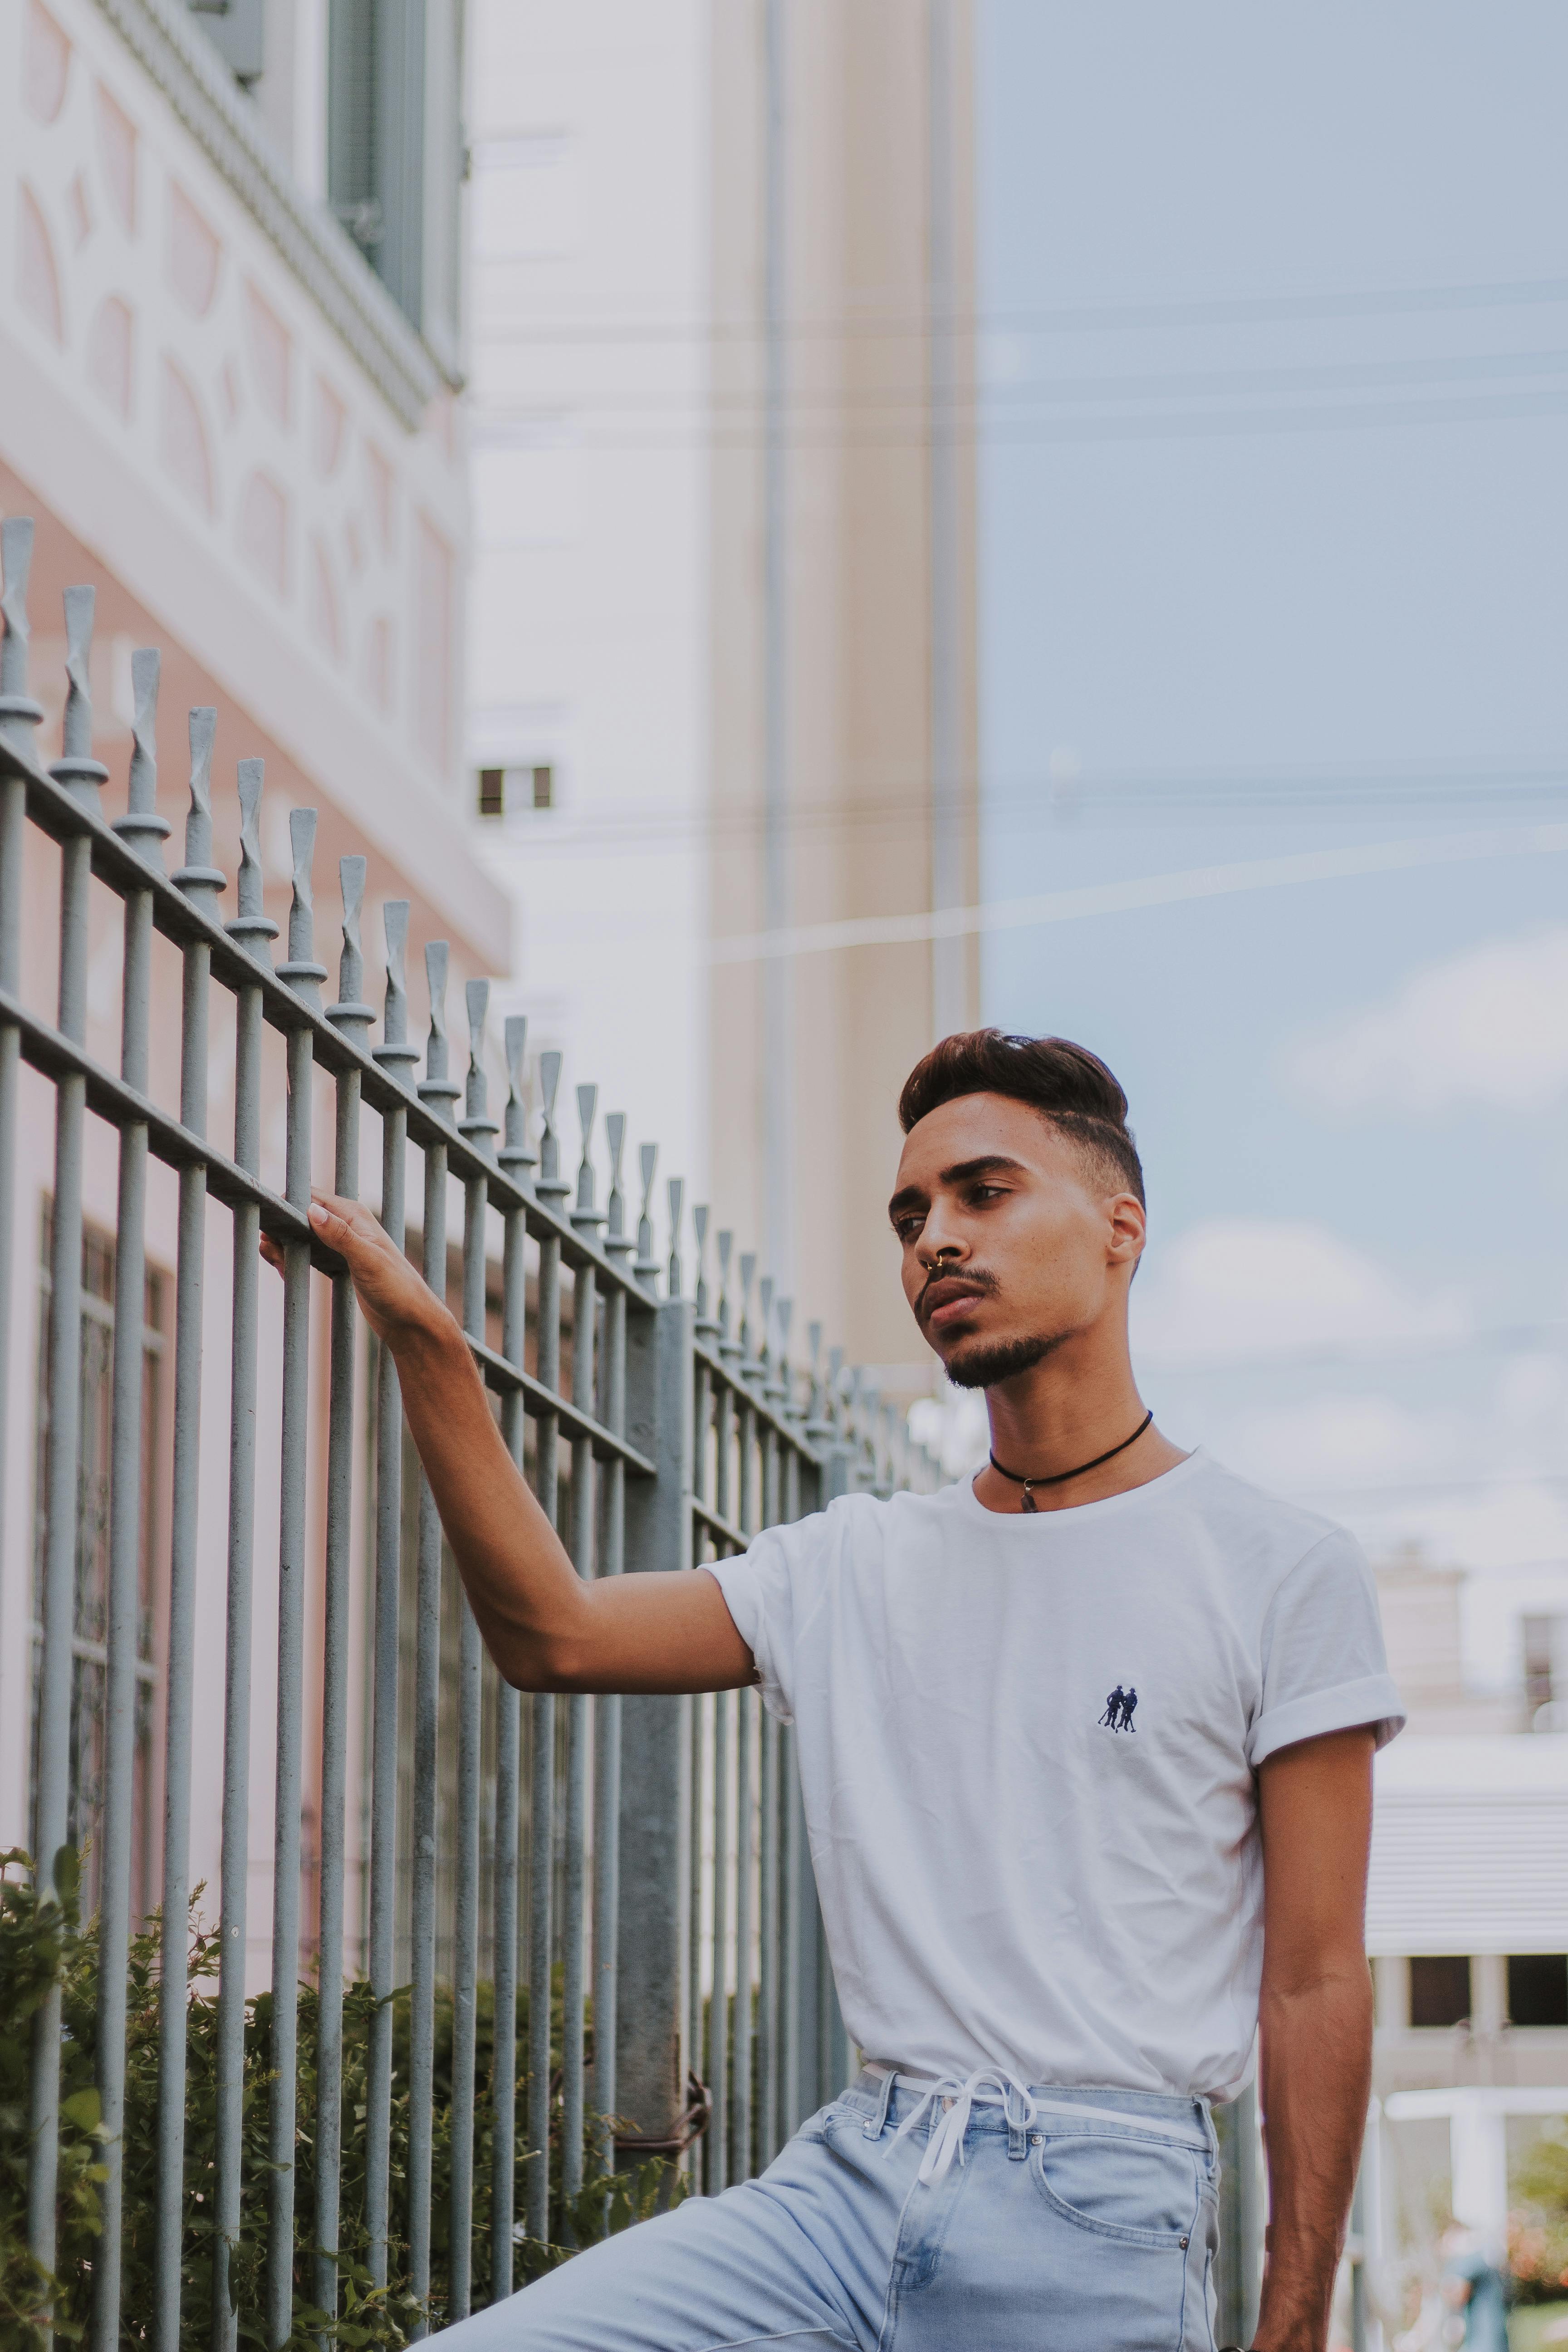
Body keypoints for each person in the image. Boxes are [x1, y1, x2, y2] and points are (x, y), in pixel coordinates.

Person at [284, 1030, 1404, 2352]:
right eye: (911, 1214)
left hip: (1098, 2208)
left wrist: (1293, 2328)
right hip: (849, 2186)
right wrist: (428, 1344)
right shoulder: (855, 1565)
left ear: (1121, 1227)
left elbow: (1316, 1983)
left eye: (985, 1193)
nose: (935, 1239)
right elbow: (559, 1635)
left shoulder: (1280, 1569)